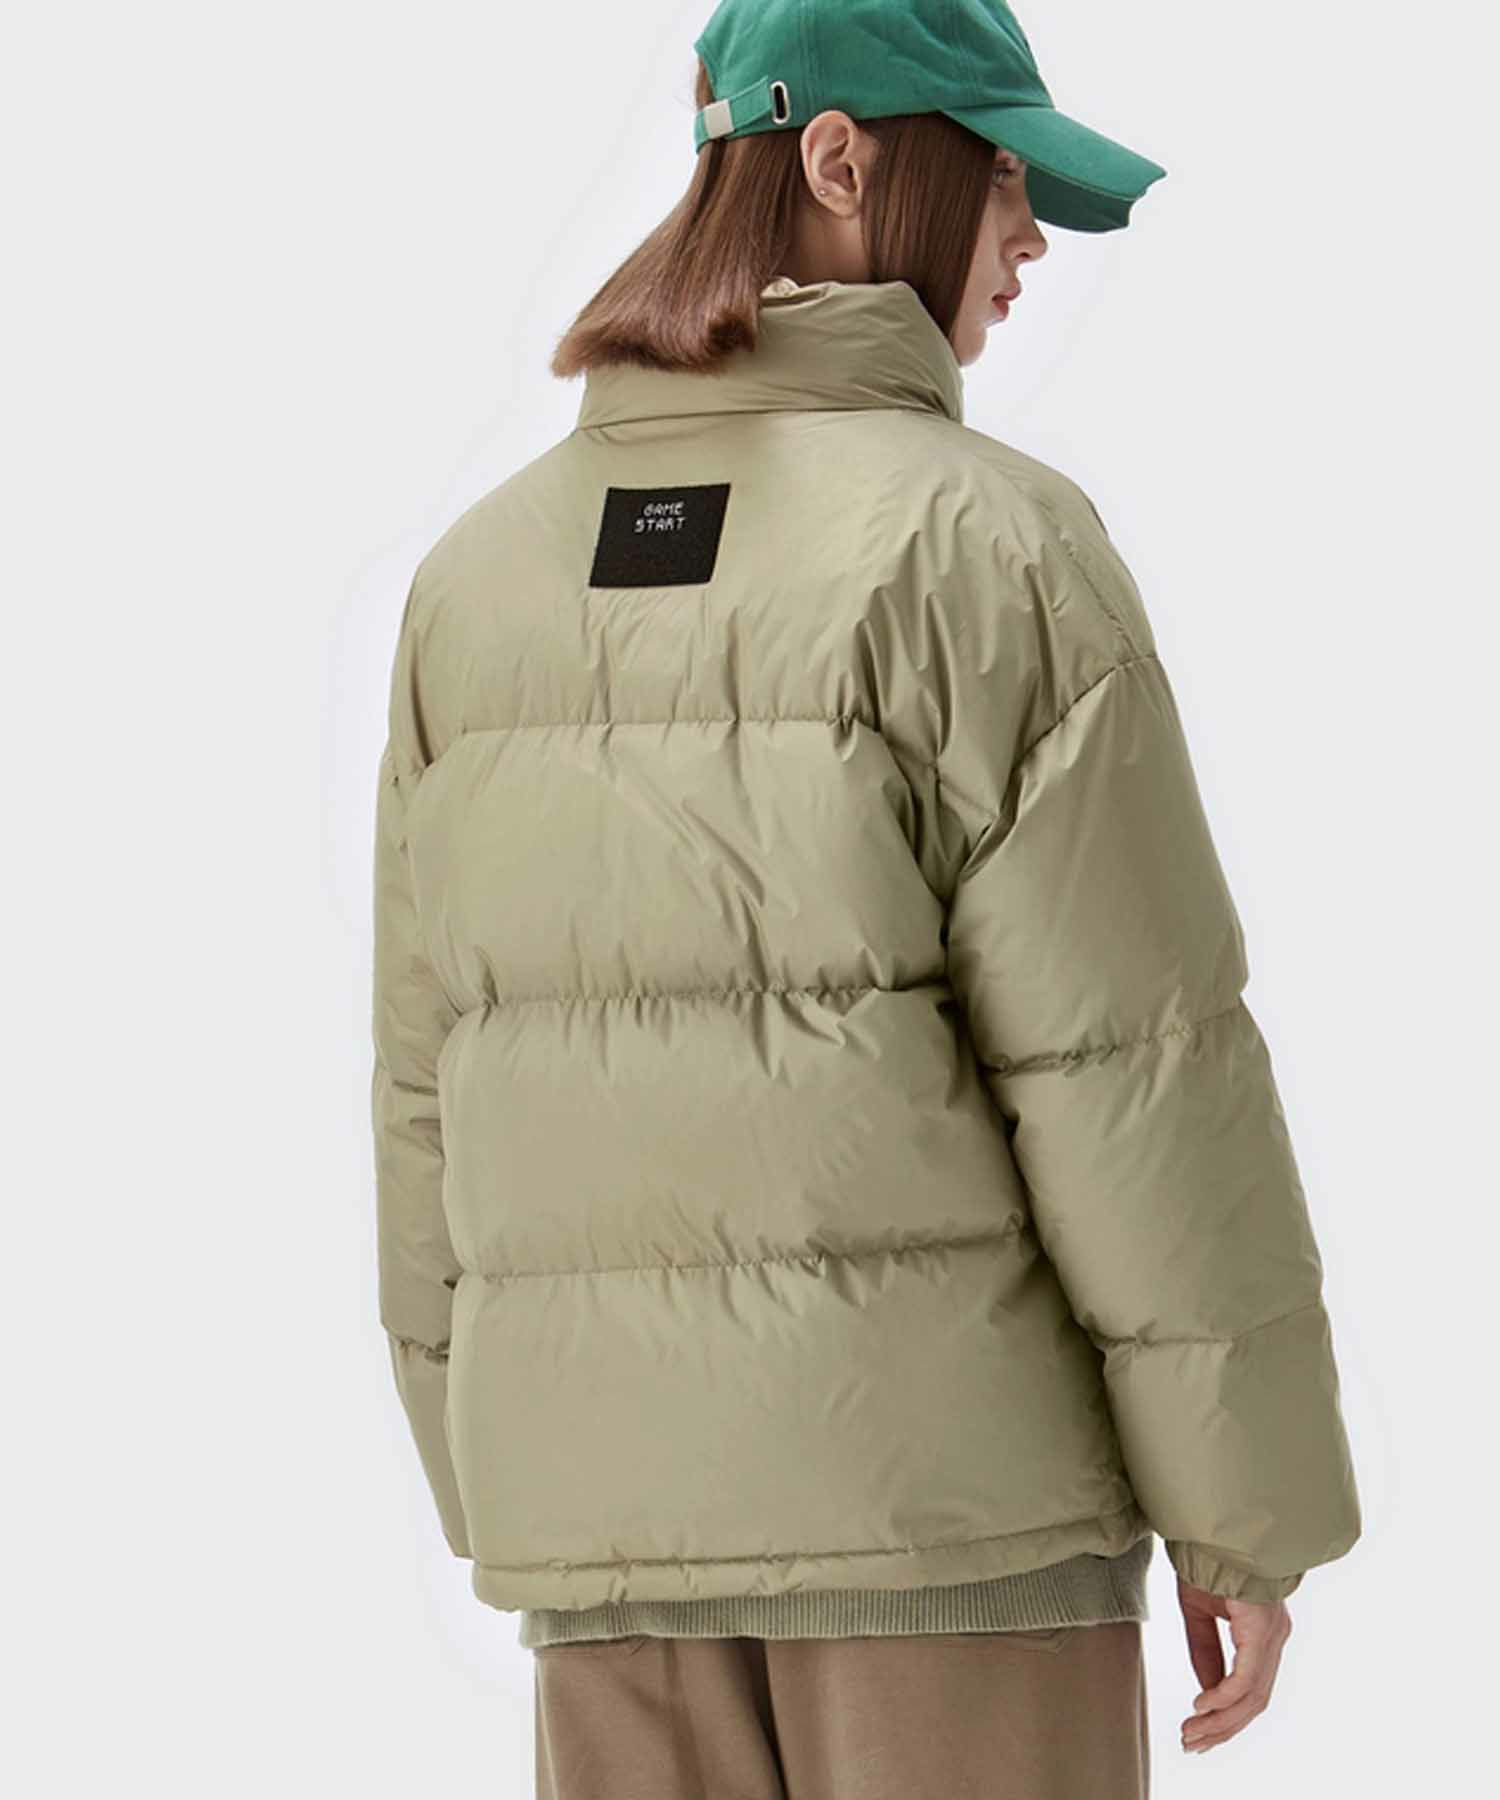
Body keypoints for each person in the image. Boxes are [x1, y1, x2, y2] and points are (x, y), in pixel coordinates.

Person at [368, 3, 1362, 1794]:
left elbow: (424, 1092)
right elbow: (1132, 1074)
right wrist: (1244, 1510)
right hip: (952, 1554)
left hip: (606, 1566)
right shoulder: (984, 550)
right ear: (839, 162)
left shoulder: (476, 581)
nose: (1029, 234)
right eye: (1002, 174)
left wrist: (506, 1477)